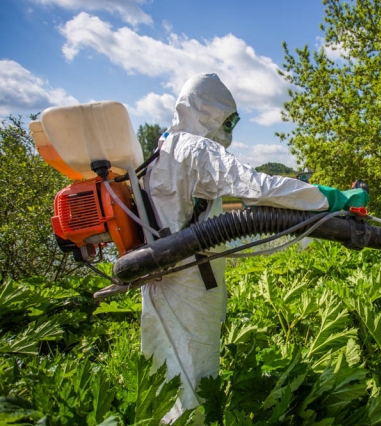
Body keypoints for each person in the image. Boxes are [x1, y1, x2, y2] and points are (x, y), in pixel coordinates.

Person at [142, 73, 368, 423]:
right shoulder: (196, 149)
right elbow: (258, 187)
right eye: (226, 120)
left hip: (161, 275)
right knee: (194, 367)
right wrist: (330, 198)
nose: (229, 129)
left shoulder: (165, 146)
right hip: (188, 277)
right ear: (206, 112)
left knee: (166, 365)